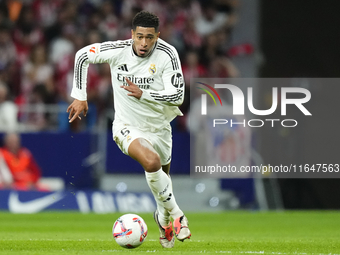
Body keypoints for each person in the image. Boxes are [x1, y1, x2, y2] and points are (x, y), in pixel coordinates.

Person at [67, 11, 191, 248]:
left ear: (158, 36)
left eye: (150, 38)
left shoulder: (168, 54)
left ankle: (163, 219)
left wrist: (145, 93)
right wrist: (80, 96)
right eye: (140, 36)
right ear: (132, 34)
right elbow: (82, 55)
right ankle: (177, 216)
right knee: (152, 162)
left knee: (163, 181)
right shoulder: (118, 50)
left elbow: (178, 96)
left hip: (160, 128)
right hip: (126, 126)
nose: (144, 43)